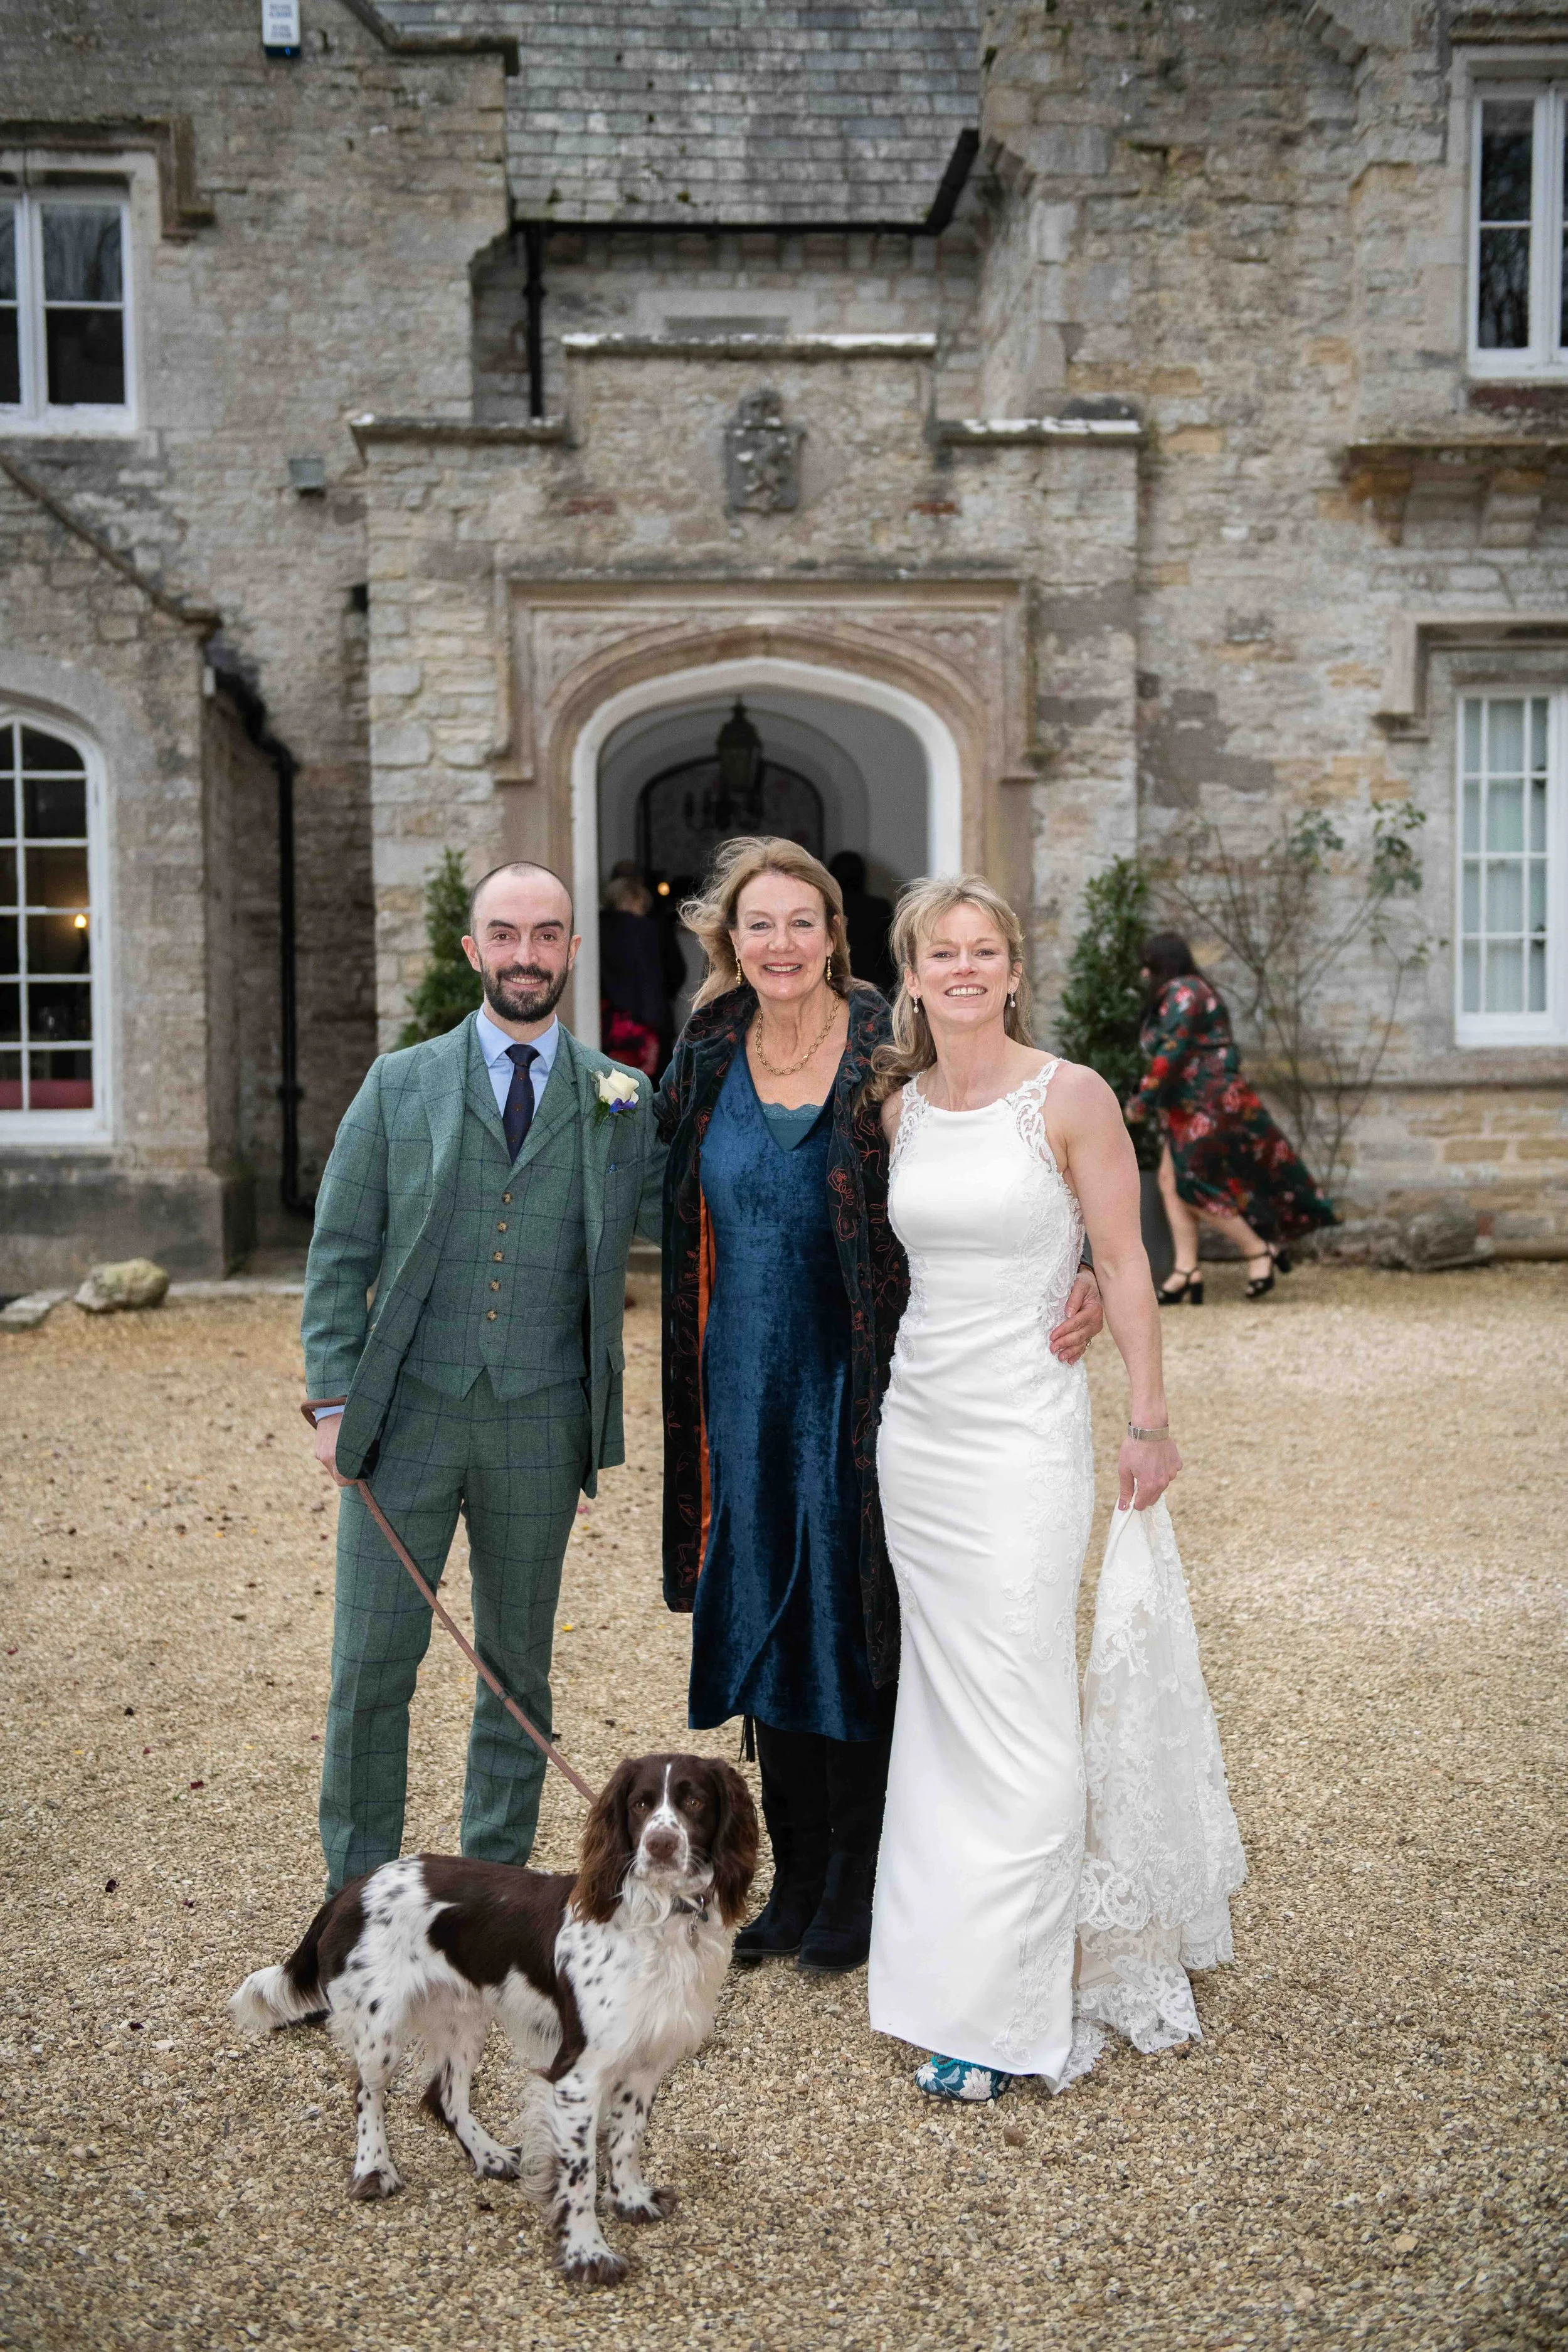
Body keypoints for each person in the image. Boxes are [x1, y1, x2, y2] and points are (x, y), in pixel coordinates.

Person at [655, 836, 1108, 1978]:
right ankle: (793, 1880)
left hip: (867, 1379)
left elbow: (1000, 1146)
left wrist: (1089, 1260)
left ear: (836, 937)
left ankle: (861, 1883)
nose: (781, 944)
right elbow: (647, 1189)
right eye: (759, 924)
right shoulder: (707, 1051)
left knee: (856, 1632)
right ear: (731, 939)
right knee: (766, 1624)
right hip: (738, 1383)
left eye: (802, 922)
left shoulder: (882, 1047)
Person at [866, 876, 1244, 2101]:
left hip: (1025, 1437)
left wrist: (1147, 1417)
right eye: (941, 953)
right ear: (911, 975)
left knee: (1021, 1710)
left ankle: (1004, 2008)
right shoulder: (901, 1110)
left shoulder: (1069, 1096)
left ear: (1013, 970)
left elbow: (1125, 1262)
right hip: (915, 1437)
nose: (964, 970)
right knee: (938, 1709)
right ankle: (936, 1971)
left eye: (984, 951)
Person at [300, 861, 664, 1894]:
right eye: (505, 935)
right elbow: (338, 1253)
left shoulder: (621, 1099)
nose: (526, 956)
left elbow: (695, 1220)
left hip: (541, 1421)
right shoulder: (397, 1083)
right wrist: (333, 1399)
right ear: (473, 950)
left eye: (547, 935)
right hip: (401, 1417)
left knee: (515, 1673)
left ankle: (488, 1889)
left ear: (572, 952)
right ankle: (358, 1899)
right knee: (371, 1665)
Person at [1129, 933, 1337, 1302]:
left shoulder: (1185, 991)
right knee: (1168, 1179)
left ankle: (1259, 1250)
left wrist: (1141, 1101)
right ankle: (1187, 1269)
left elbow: (1172, 1049)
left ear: (1162, 964)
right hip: (1189, 1103)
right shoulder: (1188, 990)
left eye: (1148, 964)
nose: (1144, 973)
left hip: (1205, 1101)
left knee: (1190, 1185)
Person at [598, 871, 669, 1076]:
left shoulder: (596, 928)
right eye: (643, 906)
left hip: (607, 1022)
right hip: (640, 1023)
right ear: (634, 901)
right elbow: (650, 980)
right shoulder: (645, 930)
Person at [829, 849, 896, 1000]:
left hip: (836, 987)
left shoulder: (828, 909)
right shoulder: (879, 907)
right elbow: (891, 954)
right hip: (877, 989)